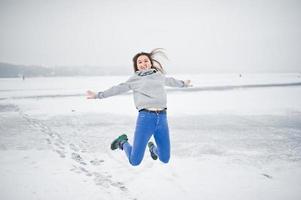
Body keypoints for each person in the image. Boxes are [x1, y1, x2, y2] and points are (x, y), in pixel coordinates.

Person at [86, 48, 192, 166]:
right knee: (135, 161)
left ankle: (152, 149)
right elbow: (117, 89)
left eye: (145, 61)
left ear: (150, 62)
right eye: (139, 62)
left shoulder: (158, 76)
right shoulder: (135, 79)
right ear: (136, 66)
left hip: (162, 118)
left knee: (165, 158)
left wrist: (184, 84)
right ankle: (122, 142)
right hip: (146, 118)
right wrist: (98, 95)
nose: (143, 64)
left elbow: (171, 81)